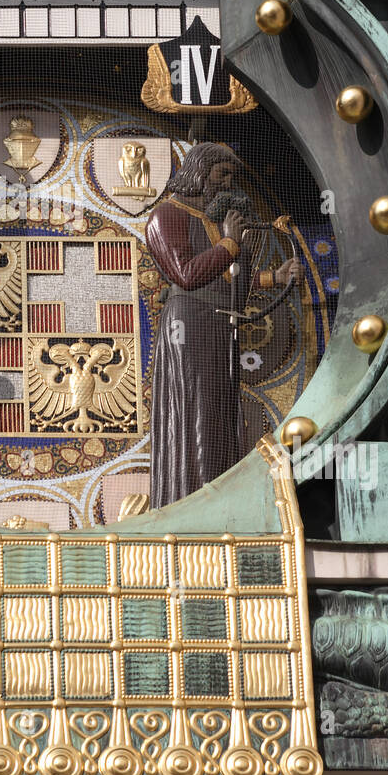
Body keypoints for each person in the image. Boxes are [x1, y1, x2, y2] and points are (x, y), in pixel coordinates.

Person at [145, 142, 302, 507]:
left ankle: (219, 493)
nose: (227, 183)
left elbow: (227, 282)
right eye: (221, 174)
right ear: (200, 174)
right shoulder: (166, 216)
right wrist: (231, 242)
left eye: (231, 176)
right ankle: (191, 498)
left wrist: (273, 278)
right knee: (196, 412)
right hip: (188, 327)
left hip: (218, 327)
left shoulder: (213, 222)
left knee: (219, 414)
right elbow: (186, 274)